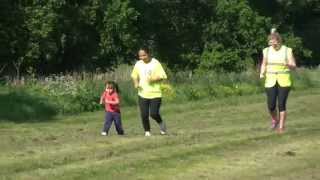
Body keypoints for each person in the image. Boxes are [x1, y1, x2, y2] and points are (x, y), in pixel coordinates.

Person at [259, 29, 296, 133]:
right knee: (271, 105)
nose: (272, 45)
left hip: (284, 80)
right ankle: (275, 120)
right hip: (270, 80)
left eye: (274, 42)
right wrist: (262, 73)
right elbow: (264, 64)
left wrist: (288, 64)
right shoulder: (266, 50)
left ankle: (281, 127)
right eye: (270, 42)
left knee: (281, 104)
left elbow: (294, 66)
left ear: (278, 41)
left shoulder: (287, 50)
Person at [131, 47, 167, 136]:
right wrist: (136, 83)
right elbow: (134, 75)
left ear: (149, 53)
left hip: (155, 93)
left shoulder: (155, 63)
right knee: (144, 114)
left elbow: (163, 76)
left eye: (144, 55)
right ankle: (147, 131)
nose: (142, 57)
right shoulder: (138, 64)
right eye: (140, 56)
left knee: (154, 113)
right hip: (142, 93)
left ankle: (162, 124)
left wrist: (153, 79)